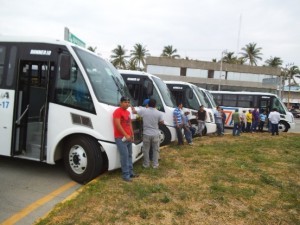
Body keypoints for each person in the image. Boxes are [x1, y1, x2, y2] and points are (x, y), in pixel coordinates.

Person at [132, 99, 164, 169]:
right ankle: (155, 165)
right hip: (155, 134)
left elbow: (134, 112)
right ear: (155, 105)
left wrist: (133, 108)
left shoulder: (144, 111)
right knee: (155, 150)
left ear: (148, 104)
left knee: (146, 150)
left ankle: (146, 164)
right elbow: (162, 122)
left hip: (146, 134)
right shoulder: (159, 113)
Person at [113, 96, 137, 182]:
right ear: (121, 102)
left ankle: (131, 172)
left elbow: (129, 123)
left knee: (130, 155)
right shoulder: (117, 112)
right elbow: (117, 125)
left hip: (128, 137)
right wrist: (125, 135)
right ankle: (125, 175)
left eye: (128, 102)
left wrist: (132, 133)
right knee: (125, 156)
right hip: (120, 138)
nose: (127, 104)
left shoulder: (127, 112)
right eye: (125, 102)